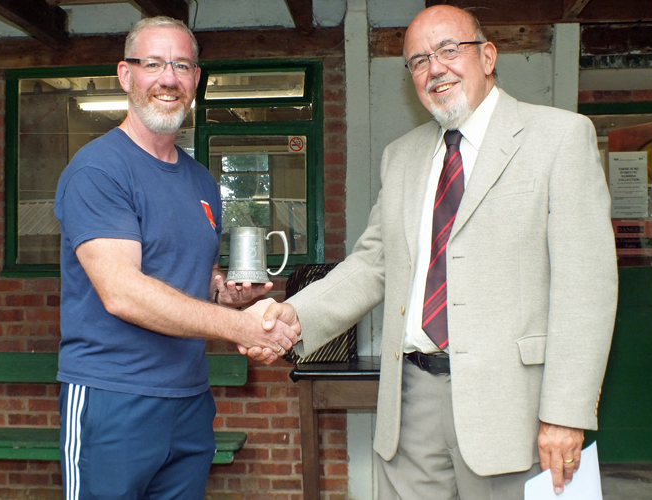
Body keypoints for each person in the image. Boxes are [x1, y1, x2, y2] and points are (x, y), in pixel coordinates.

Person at [247, 5, 618, 499]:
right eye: (418, 60)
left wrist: (565, 413)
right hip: (411, 402)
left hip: (514, 407)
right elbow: (372, 263)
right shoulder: (401, 157)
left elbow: (585, 287)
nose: (435, 68)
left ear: (487, 56)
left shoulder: (559, 138)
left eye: (448, 50)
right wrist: (291, 314)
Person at [54, 16, 298, 500]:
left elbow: (192, 275)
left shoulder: (201, 182)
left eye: (182, 65)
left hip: (188, 400)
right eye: (154, 64)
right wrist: (240, 327)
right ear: (126, 75)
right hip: (113, 398)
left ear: (196, 80)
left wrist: (225, 293)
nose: (169, 78)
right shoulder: (99, 170)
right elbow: (123, 292)